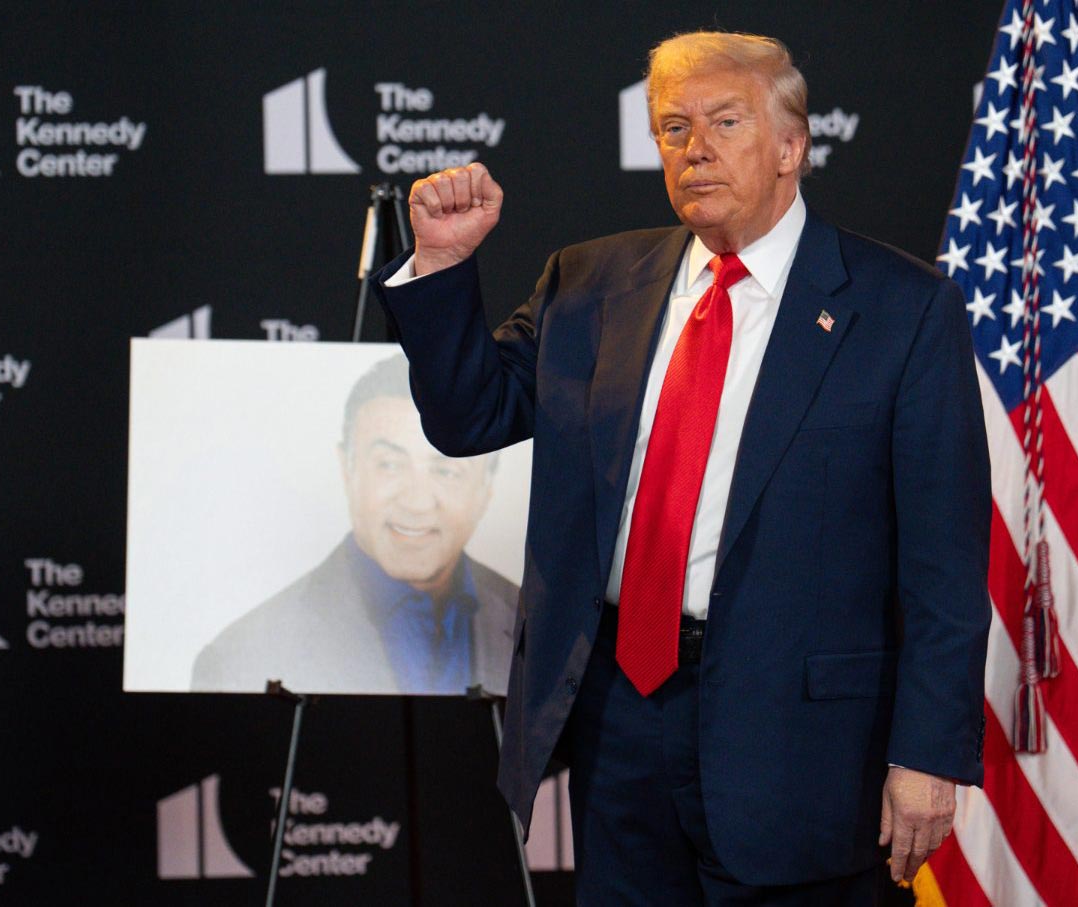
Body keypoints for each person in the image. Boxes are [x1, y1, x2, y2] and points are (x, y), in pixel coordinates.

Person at [373, 30, 991, 905]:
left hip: (805, 742)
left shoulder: (904, 309)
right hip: (621, 717)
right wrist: (440, 264)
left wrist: (927, 751)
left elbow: (946, 562)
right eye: (672, 126)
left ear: (791, 146)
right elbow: (469, 417)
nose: (693, 147)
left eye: (725, 121)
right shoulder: (587, 284)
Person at [190, 354, 520, 696]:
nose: (417, 502)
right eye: (390, 465)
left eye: (446, 470)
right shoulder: (239, 659)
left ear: (487, 489)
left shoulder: (544, 630)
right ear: (346, 470)